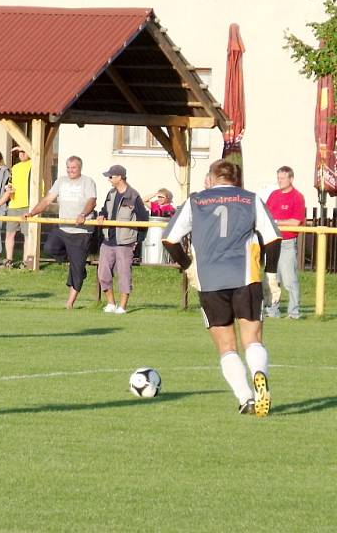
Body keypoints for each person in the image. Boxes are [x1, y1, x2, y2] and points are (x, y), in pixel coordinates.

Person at [162, 159, 281, 417]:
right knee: (252, 339)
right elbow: (273, 239)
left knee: (227, 346)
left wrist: (187, 266)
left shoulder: (196, 201)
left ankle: (246, 398)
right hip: (245, 278)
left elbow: (169, 239)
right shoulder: (250, 199)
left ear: (212, 178)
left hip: (210, 281)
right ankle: (259, 372)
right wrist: (271, 276)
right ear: (236, 180)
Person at [26, 156, 96, 310]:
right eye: (68, 167)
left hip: (81, 232)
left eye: (74, 168)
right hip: (63, 228)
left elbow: (92, 201)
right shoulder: (61, 181)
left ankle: (69, 303)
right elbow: (47, 200)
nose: (71, 171)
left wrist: (83, 214)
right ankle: (76, 262)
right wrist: (32, 213)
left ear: (80, 168)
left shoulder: (87, 182)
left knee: (76, 271)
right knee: (50, 248)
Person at [96, 164, 149, 314]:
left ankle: (123, 306)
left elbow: (143, 218)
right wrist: (101, 215)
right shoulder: (111, 194)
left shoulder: (134, 196)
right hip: (108, 241)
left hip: (125, 243)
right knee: (103, 273)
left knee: (124, 274)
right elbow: (104, 209)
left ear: (119, 177)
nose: (109, 179)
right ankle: (111, 303)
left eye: (111, 176)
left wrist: (138, 240)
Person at [264, 166, 306, 319]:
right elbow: (266, 214)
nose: (279, 181)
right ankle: (272, 310)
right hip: (273, 242)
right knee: (273, 279)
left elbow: (295, 222)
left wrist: (276, 222)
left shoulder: (297, 197)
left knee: (290, 279)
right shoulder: (274, 195)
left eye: (282, 178)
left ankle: (294, 312)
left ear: (291, 179)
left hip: (287, 243)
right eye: (278, 178)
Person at [4, 147, 34, 268]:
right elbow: (10, 183)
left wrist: (22, 146)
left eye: (23, 151)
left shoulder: (34, 163)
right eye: (19, 152)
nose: (21, 154)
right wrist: (9, 189)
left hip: (27, 205)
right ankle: (8, 260)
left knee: (27, 235)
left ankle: (25, 261)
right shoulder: (15, 167)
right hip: (14, 205)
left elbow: (35, 151)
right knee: (9, 234)